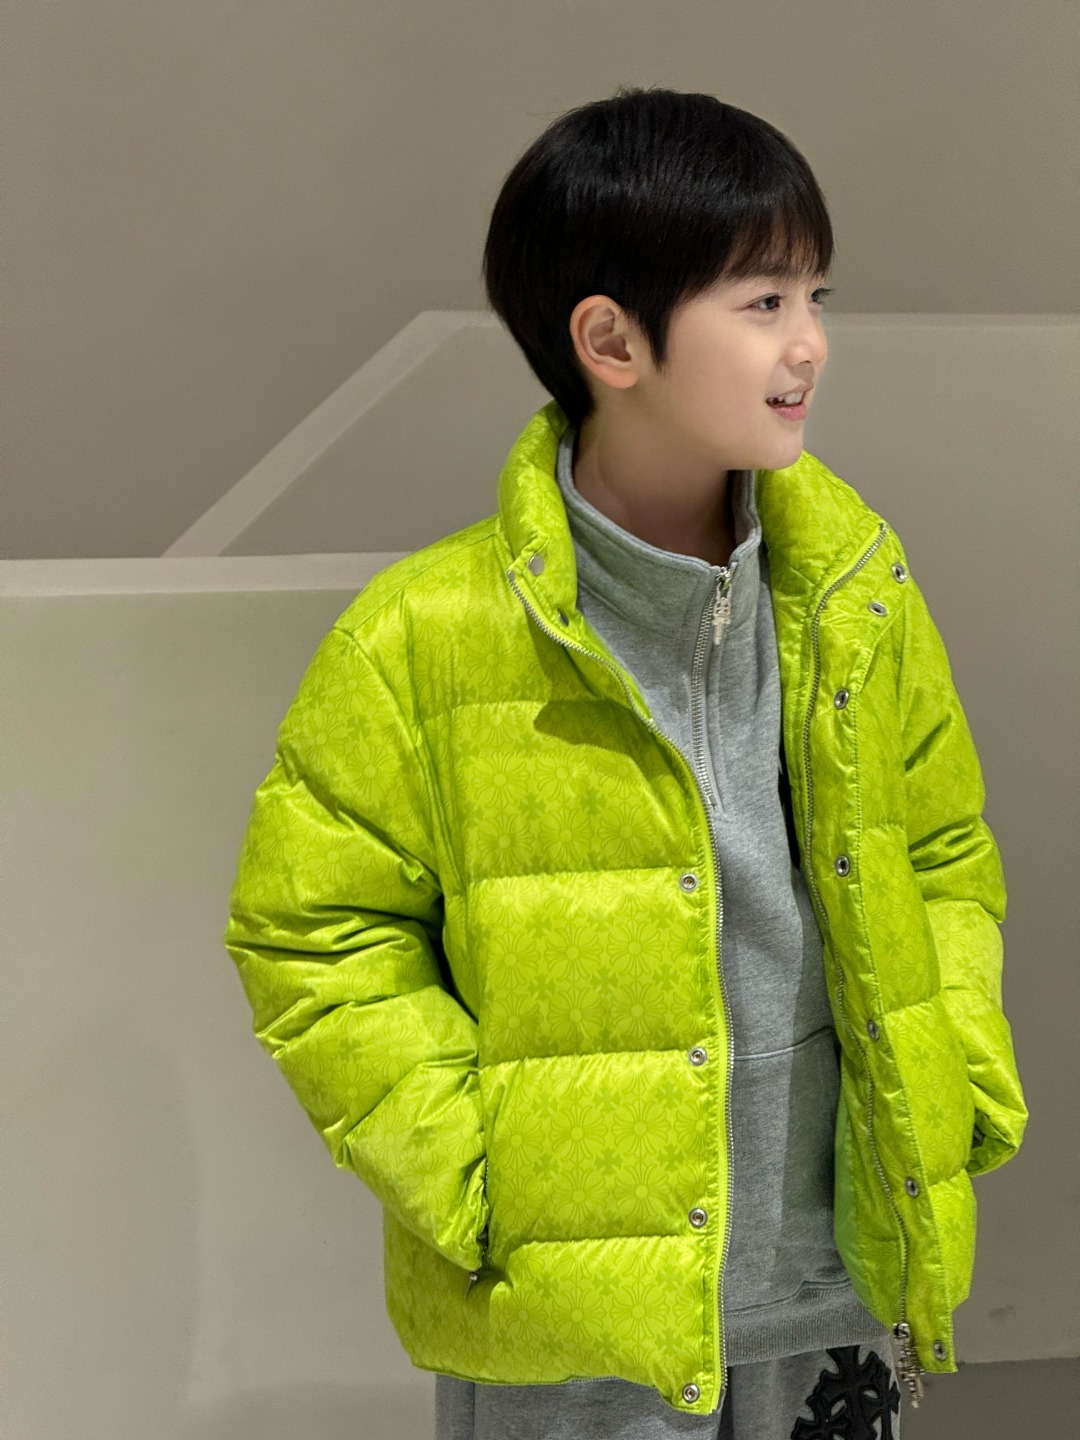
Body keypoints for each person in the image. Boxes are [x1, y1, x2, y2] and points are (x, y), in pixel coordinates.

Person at [222, 87, 1028, 1439]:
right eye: (761, 302)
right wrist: (488, 1185)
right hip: (572, 1336)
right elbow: (312, 933)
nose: (809, 343)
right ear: (610, 339)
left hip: (835, 1290)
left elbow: (943, 855)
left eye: (813, 296)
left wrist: (956, 1080)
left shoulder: (857, 603)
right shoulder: (422, 638)